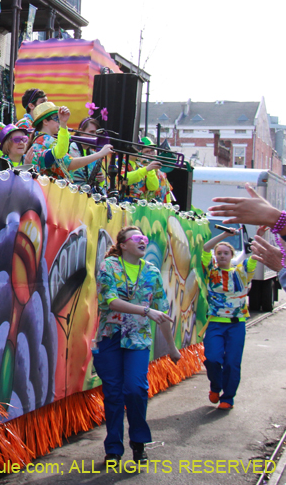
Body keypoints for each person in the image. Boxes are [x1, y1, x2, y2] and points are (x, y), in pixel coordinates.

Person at [93, 226, 180, 464]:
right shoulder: (108, 266)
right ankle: (113, 449)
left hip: (138, 340)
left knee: (135, 390)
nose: (143, 241)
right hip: (110, 338)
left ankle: (139, 442)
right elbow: (110, 301)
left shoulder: (152, 272)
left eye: (145, 238)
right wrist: (145, 310)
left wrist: (172, 348)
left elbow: (161, 313)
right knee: (113, 395)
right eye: (137, 238)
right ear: (122, 244)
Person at [200, 228, 256, 410]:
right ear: (215, 256)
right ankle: (215, 386)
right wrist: (226, 235)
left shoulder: (242, 272)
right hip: (215, 324)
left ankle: (228, 397)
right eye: (219, 253)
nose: (222, 256)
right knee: (212, 359)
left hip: (236, 325)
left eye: (226, 253)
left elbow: (255, 255)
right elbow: (206, 247)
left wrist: (260, 235)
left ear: (232, 255)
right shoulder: (211, 272)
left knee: (232, 362)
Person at [126, 137, 174, 202]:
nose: (151, 154)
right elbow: (152, 187)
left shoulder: (161, 169)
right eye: (147, 152)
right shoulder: (140, 167)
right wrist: (148, 167)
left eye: (152, 150)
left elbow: (167, 191)